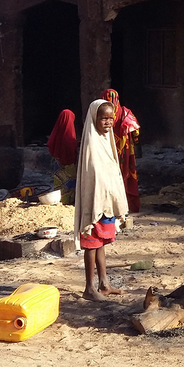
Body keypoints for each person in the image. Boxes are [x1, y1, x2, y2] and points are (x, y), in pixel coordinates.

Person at [74, 99, 130, 301]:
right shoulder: (92, 144)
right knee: (91, 244)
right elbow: (94, 177)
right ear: (93, 119)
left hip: (106, 204)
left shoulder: (107, 140)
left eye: (110, 118)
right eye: (103, 118)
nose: (107, 122)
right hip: (95, 204)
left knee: (101, 243)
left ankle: (104, 283)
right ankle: (89, 288)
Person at [100, 89, 141, 212]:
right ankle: (126, 205)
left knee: (106, 177)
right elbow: (136, 132)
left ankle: (108, 206)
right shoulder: (125, 113)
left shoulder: (100, 114)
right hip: (124, 152)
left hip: (106, 151)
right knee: (124, 175)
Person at [47, 110, 79, 205]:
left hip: (58, 163)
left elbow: (51, 145)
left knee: (60, 182)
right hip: (69, 164)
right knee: (69, 182)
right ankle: (69, 200)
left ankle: (60, 199)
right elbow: (70, 147)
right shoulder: (69, 133)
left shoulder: (57, 132)